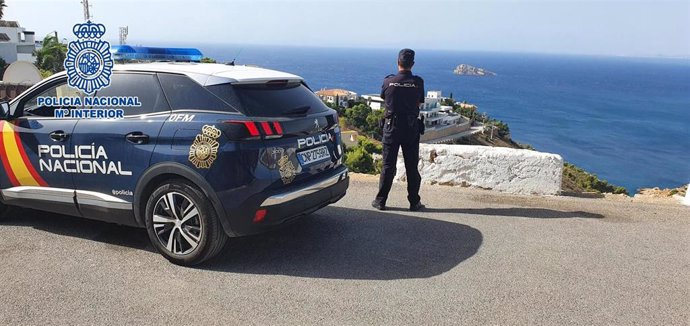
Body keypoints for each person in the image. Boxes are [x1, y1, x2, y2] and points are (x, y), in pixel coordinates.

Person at [372, 48, 425, 211]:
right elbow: (419, 102)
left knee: (388, 166)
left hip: (391, 127)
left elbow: (383, 97)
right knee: (411, 166)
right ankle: (414, 202)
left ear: (398, 62)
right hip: (410, 128)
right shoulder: (417, 82)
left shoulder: (388, 81)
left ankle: (380, 201)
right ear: (413, 64)